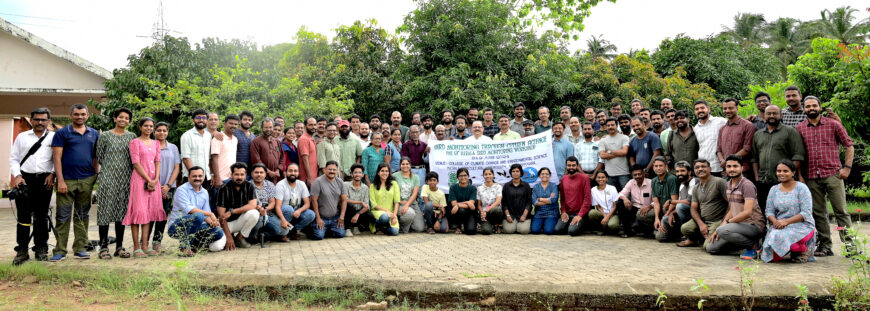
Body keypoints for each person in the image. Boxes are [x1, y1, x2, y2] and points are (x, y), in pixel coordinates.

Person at [796, 96, 855, 257]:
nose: (811, 108)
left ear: (820, 107)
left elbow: (849, 145)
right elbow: (798, 155)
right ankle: (825, 245)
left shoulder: (834, 124)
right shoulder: (800, 128)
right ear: (804, 109)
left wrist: (847, 168)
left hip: (833, 174)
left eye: (814, 105)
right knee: (819, 212)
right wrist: (800, 176)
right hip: (811, 176)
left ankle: (851, 246)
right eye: (808, 106)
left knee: (841, 211)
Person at [50, 104, 100, 261]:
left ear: (88, 116)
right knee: (63, 216)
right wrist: (60, 181)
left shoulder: (94, 133)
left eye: (83, 114)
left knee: (82, 215)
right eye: (77, 114)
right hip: (67, 181)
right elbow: (56, 158)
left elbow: (95, 157)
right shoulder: (62, 133)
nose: (80, 117)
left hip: (86, 180)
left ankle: (80, 248)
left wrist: (95, 175)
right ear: (71, 115)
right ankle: (60, 250)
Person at [9, 108, 55, 265]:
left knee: (41, 217)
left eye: (43, 119)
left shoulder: (54, 137)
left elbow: (58, 158)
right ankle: (22, 250)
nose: (40, 122)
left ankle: (41, 249)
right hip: (25, 180)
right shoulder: (22, 137)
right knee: (23, 217)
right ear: (31, 120)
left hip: (45, 180)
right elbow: (14, 158)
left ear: (49, 121)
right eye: (37, 119)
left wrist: (53, 174)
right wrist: (18, 176)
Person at [95, 107, 136, 259]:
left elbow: (134, 158)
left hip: (126, 179)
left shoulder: (132, 136)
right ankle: (103, 247)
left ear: (129, 121)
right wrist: (111, 168)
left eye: (126, 118)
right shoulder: (105, 136)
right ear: (115, 118)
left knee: (121, 212)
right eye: (120, 117)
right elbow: (99, 155)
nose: (123, 120)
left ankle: (119, 247)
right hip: (107, 178)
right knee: (105, 211)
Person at [705, 155, 765, 259]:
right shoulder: (728, 185)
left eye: (735, 166)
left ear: (742, 168)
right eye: (729, 166)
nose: (732, 169)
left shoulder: (747, 185)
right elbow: (732, 209)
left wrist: (726, 225)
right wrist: (721, 226)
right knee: (711, 248)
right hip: (737, 226)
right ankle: (742, 244)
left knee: (723, 231)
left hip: (753, 225)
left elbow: (747, 212)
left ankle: (753, 245)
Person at [122, 118, 165, 258]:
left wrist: (156, 179)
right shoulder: (135, 142)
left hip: (154, 181)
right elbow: (136, 163)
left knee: (149, 213)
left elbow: (157, 161)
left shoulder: (156, 143)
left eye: (151, 126)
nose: (148, 128)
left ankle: (145, 246)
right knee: (138, 212)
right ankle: (136, 247)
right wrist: (148, 179)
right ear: (140, 127)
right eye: (146, 126)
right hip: (140, 180)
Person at [751, 105, 806, 211]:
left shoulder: (790, 131)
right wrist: (757, 178)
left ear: (781, 115)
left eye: (775, 113)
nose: (772, 116)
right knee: (764, 210)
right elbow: (754, 158)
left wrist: (787, 175)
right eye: (769, 113)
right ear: (764, 116)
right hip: (763, 181)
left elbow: (798, 155)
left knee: (784, 211)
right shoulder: (758, 134)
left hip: (783, 182)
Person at [761, 160, 816, 263]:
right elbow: (769, 211)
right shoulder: (774, 189)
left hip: (802, 225)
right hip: (779, 225)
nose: (781, 174)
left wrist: (786, 221)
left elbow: (806, 212)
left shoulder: (802, 188)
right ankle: (792, 249)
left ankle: (803, 249)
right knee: (774, 257)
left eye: (785, 171)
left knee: (781, 237)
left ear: (793, 173)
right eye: (779, 171)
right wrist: (775, 222)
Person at [167, 166, 226, 256]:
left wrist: (213, 223)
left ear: (204, 177)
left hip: (195, 226)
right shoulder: (181, 190)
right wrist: (211, 214)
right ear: (189, 177)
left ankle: (194, 246)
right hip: (176, 228)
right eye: (194, 176)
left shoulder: (205, 192)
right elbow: (191, 210)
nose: (197, 178)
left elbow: (206, 215)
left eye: (200, 176)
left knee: (218, 232)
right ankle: (184, 248)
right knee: (198, 216)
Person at [678, 160, 728, 248]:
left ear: (710, 169)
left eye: (703, 166)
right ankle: (695, 240)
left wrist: (724, 222)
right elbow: (693, 209)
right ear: (694, 171)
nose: (700, 169)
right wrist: (701, 224)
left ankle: (729, 242)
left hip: (717, 221)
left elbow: (732, 204)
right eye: (697, 167)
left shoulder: (719, 182)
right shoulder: (696, 188)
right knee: (685, 228)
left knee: (708, 247)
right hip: (704, 221)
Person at [150, 122, 181, 252]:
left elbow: (176, 168)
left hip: (168, 187)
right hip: (151, 186)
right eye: (159, 130)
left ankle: (157, 241)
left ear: (167, 132)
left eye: (164, 130)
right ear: (154, 131)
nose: (161, 133)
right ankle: (144, 241)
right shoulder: (150, 145)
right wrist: (156, 186)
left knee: (162, 214)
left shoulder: (173, 147)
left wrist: (168, 186)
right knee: (150, 215)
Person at [217, 162, 260, 250]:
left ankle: (239, 238)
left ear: (245, 175)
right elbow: (222, 216)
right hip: (226, 224)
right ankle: (230, 237)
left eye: (242, 174)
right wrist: (229, 237)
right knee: (216, 247)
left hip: (240, 221)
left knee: (254, 213)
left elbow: (252, 205)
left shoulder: (249, 186)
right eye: (236, 174)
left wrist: (232, 211)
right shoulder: (223, 189)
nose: (239, 177)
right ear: (231, 175)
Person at [658, 161, 698, 242]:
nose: (680, 173)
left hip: (696, 214)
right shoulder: (682, 184)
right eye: (677, 171)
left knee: (680, 207)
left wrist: (670, 201)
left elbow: (688, 202)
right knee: (666, 219)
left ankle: (689, 235)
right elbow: (680, 202)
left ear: (689, 172)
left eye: (682, 171)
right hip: (686, 212)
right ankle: (675, 235)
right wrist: (672, 213)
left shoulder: (695, 181)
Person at [274, 163, 316, 239]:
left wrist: (299, 211)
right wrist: (283, 219)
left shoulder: (302, 184)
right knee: (288, 209)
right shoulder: (281, 185)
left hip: (296, 211)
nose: (293, 173)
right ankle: (283, 233)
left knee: (311, 214)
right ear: (286, 173)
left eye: (295, 171)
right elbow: (277, 206)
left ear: (298, 173)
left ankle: (293, 230)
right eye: (290, 171)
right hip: (284, 212)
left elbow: (307, 204)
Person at [716, 99, 755, 179]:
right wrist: (722, 161)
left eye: (730, 108)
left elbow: (747, 148)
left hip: (743, 171)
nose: (727, 111)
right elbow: (719, 149)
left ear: (737, 108)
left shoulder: (748, 126)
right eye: (725, 108)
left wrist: (729, 161)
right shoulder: (722, 129)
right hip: (726, 172)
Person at [309, 160, 348, 240]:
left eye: (334, 170)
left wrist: (341, 217)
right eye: (329, 169)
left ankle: (327, 230)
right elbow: (313, 200)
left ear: (337, 171)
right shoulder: (317, 182)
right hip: (321, 217)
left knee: (340, 234)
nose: (332, 171)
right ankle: (313, 228)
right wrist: (318, 218)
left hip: (335, 217)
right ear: (325, 170)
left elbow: (344, 200)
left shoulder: (340, 182)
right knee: (318, 236)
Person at [556, 157, 592, 236]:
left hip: (580, 213)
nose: (571, 167)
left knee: (572, 232)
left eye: (573, 165)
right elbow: (562, 199)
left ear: (577, 166)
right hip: (568, 213)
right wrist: (563, 212)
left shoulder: (584, 178)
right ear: (566, 166)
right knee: (558, 230)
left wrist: (580, 215)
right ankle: (571, 224)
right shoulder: (563, 179)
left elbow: (587, 199)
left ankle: (582, 224)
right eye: (569, 165)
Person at [616, 165, 653, 238]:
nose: (637, 176)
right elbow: (621, 194)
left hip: (648, 209)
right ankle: (627, 231)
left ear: (644, 174)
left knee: (637, 227)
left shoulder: (651, 183)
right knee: (620, 204)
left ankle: (648, 230)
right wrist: (625, 199)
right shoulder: (631, 182)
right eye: (635, 175)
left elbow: (657, 199)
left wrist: (649, 206)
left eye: (639, 174)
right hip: (635, 208)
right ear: (632, 175)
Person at [693, 100, 727, 176]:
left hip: (718, 166)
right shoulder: (696, 128)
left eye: (702, 108)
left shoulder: (720, 121)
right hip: (703, 167)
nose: (700, 110)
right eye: (697, 109)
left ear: (708, 109)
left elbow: (734, 124)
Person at [248, 164, 280, 243]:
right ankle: (251, 236)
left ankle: (263, 235)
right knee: (261, 217)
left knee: (281, 231)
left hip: (268, 213)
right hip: (254, 213)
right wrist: (258, 209)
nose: (259, 174)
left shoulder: (270, 185)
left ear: (265, 174)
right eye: (256, 172)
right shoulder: (247, 185)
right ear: (252, 174)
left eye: (261, 172)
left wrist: (265, 209)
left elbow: (272, 202)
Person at [393, 157, 424, 233]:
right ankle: (401, 226)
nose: (405, 166)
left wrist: (407, 205)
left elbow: (415, 193)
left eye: (407, 164)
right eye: (403, 164)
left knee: (419, 228)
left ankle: (409, 222)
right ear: (400, 165)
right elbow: (392, 192)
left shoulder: (416, 177)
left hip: (412, 204)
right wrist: (399, 202)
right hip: (399, 203)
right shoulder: (394, 176)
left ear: (410, 165)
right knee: (409, 214)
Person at [650, 157, 678, 241]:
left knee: (660, 237)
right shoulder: (654, 180)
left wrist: (663, 218)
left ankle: (671, 232)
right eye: (656, 166)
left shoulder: (672, 179)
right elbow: (656, 202)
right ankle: (656, 228)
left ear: (666, 166)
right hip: (661, 210)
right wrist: (657, 218)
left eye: (661, 166)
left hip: (671, 211)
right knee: (641, 215)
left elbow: (674, 202)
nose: (658, 168)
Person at [181, 109, 213, 183]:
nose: (201, 120)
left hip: (206, 177)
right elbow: (186, 158)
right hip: (191, 178)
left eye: (204, 118)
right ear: (193, 120)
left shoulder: (208, 136)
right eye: (198, 118)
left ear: (207, 120)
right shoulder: (187, 135)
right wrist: (195, 176)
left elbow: (209, 158)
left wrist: (212, 174)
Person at [598, 118, 630, 191]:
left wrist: (609, 152)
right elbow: (602, 155)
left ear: (617, 126)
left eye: (612, 125)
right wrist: (619, 152)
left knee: (626, 196)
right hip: (609, 174)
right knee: (611, 197)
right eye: (608, 125)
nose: (610, 127)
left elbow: (624, 152)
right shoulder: (603, 140)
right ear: (606, 127)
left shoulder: (624, 137)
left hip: (623, 173)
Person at [369, 163, 401, 235]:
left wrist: (394, 216)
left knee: (394, 232)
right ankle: (377, 226)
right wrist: (387, 211)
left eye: (386, 171)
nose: (385, 173)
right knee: (385, 217)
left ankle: (383, 229)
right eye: (382, 171)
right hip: (378, 212)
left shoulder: (394, 184)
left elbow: (397, 201)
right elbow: (374, 205)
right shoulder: (372, 186)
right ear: (378, 172)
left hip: (391, 213)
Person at [251, 118, 284, 184]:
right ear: (262, 128)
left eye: (270, 127)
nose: (268, 129)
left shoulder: (277, 142)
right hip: (262, 177)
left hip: (276, 177)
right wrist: (268, 172)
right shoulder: (256, 141)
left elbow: (282, 158)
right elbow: (256, 160)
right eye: (266, 127)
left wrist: (278, 170)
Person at [502, 164, 533, 234]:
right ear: (511, 173)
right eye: (513, 171)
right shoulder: (506, 186)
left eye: (517, 171)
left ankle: (519, 225)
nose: (515, 173)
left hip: (523, 214)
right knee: (508, 231)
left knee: (524, 231)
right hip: (510, 214)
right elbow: (504, 202)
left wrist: (524, 215)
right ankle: (514, 225)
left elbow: (529, 202)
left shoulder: (526, 185)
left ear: (521, 173)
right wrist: (508, 215)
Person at [344, 164, 374, 236]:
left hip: (359, 212)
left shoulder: (365, 188)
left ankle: (355, 226)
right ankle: (347, 228)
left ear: (363, 175)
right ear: (351, 174)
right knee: (348, 206)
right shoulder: (345, 185)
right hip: (348, 212)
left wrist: (357, 214)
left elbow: (366, 205)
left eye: (360, 172)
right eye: (355, 172)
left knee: (370, 216)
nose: (358, 174)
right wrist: (360, 202)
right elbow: (345, 200)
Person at [588, 171, 620, 235]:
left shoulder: (612, 188)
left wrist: (607, 217)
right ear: (596, 179)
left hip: (613, 213)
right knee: (592, 213)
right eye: (598, 177)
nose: (600, 179)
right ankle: (601, 227)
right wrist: (605, 216)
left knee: (613, 225)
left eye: (603, 177)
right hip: (602, 214)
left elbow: (615, 206)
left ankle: (607, 229)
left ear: (607, 178)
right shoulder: (593, 190)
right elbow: (598, 206)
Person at [210, 114, 239, 185]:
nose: (233, 126)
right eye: (231, 123)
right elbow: (214, 159)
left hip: (232, 178)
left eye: (236, 124)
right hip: (221, 179)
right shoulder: (218, 138)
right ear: (224, 124)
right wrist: (217, 178)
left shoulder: (235, 139)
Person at [448, 168, 478, 235]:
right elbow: (453, 204)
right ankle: (458, 226)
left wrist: (458, 205)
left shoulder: (473, 188)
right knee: (461, 210)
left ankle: (466, 224)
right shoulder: (453, 187)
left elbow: (472, 205)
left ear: (468, 176)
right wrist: (467, 202)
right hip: (458, 213)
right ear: (457, 177)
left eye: (465, 175)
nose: (463, 177)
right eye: (461, 176)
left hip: (470, 213)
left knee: (471, 231)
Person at [531, 168, 560, 235]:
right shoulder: (536, 187)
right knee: (535, 231)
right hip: (539, 213)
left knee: (548, 231)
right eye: (542, 174)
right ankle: (543, 224)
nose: (545, 175)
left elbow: (554, 200)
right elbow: (535, 202)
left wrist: (539, 199)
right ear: (539, 176)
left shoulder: (553, 186)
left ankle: (547, 224)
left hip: (551, 213)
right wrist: (549, 199)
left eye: (547, 174)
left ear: (550, 175)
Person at [477, 168, 504, 235]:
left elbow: (498, 202)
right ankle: (486, 225)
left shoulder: (498, 187)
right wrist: (482, 212)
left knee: (497, 210)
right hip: (484, 214)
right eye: (486, 174)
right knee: (486, 231)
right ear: (483, 176)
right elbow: (479, 204)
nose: (488, 176)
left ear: (493, 175)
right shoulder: (479, 188)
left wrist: (487, 210)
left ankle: (496, 225)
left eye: (490, 174)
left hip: (493, 211)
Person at [298, 117, 319, 186]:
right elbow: (305, 159)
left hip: (314, 177)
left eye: (315, 125)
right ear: (305, 126)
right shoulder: (304, 139)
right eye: (310, 125)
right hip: (307, 179)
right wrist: (309, 177)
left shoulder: (311, 138)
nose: (313, 127)